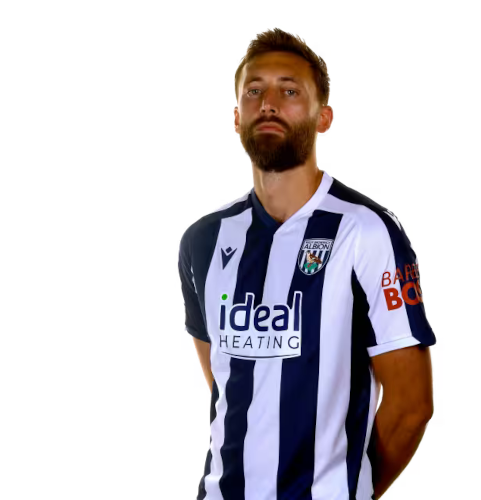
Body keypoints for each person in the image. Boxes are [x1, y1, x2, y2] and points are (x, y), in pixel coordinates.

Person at [178, 28, 436, 500]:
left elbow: (411, 405)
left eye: (290, 91)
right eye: (254, 91)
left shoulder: (367, 230)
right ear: (236, 117)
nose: (268, 103)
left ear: (324, 118)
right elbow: (223, 384)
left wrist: (349, 491)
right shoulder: (202, 241)